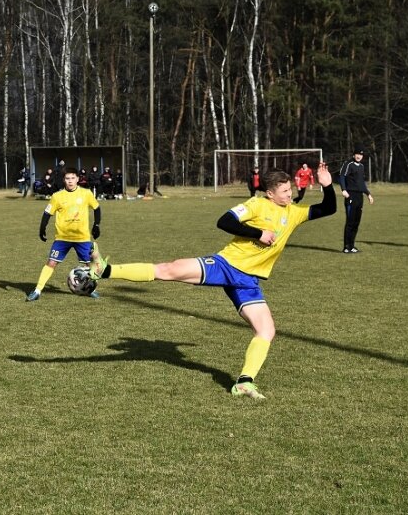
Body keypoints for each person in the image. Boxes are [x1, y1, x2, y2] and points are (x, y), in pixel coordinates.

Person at [88, 163, 336, 400]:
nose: (289, 195)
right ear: (270, 194)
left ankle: (244, 382)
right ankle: (105, 270)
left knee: (266, 330)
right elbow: (224, 221)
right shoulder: (256, 205)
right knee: (170, 269)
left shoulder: (293, 213)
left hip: (247, 281)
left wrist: (327, 186)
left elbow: (328, 208)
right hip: (225, 265)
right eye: (284, 192)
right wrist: (258, 233)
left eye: (290, 190)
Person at [26, 167, 102, 301]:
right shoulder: (57, 196)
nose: (70, 181)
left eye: (73, 178)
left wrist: (96, 225)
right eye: (67, 178)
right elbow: (47, 213)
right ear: (64, 180)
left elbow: (96, 208)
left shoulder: (86, 194)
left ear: (78, 179)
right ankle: (37, 291)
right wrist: (42, 228)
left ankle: (91, 290)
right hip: (62, 238)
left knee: (87, 266)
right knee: (51, 263)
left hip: (82, 237)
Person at [338, 145, 374, 253]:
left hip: (359, 197)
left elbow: (361, 183)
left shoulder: (362, 167)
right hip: (350, 196)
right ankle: (346, 247)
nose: (359, 156)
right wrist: (343, 189)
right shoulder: (348, 164)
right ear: (354, 154)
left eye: (361, 154)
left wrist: (368, 194)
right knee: (350, 221)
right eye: (357, 154)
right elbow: (341, 176)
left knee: (356, 222)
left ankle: (352, 246)